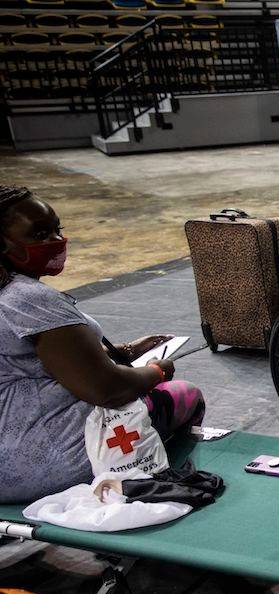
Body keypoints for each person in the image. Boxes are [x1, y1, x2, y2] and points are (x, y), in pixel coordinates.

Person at [0, 186, 205, 505]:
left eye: (57, 229)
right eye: (40, 234)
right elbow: (107, 389)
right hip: (42, 463)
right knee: (184, 395)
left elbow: (36, 365)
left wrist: (123, 352)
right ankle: (149, 486)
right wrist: (156, 371)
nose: (56, 241)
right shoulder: (29, 300)